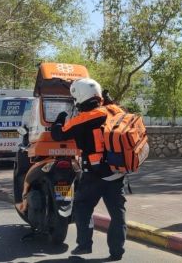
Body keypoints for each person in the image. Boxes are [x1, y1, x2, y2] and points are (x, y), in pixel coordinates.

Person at [51, 78, 127, 261]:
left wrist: (60, 118)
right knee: (118, 214)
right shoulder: (116, 111)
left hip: (94, 174)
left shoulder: (82, 119)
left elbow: (58, 134)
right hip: (118, 171)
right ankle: (117, 252)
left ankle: (84, 245)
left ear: (80, 97)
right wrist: (107, 100)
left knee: (83, 207)